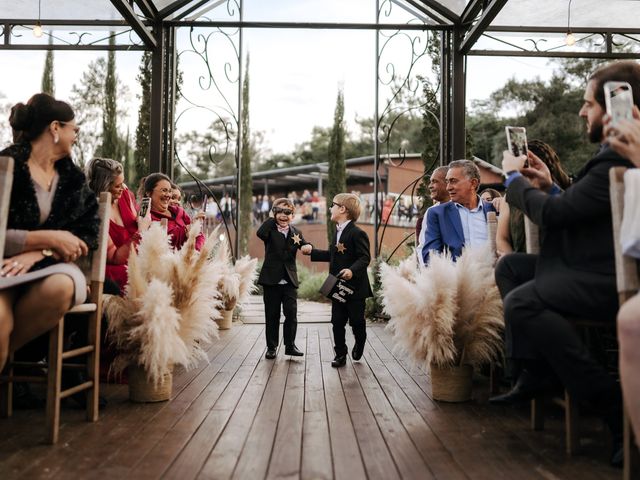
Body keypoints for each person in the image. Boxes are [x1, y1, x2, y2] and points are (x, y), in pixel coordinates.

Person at [489, 61, 640, 467]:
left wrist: (515, 181)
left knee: (523, 303)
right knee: (511, 268)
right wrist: (549, 186)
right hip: (583, 265)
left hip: (606, 277)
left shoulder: (617, 159)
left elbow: (557, 217)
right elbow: (574, 206)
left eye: (588, 103)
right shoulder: (612, 156)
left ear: (615, 105)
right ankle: (535, 371)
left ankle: (610, 409)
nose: (581, 112)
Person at [0, 93, 99, 374]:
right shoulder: (6, 166)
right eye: (74, 129)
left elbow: (89, 233)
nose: (76, 136)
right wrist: (48, 239)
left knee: (62, 286)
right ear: (55, 128)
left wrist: (38, 252)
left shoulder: (73, 179)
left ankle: (8, 356)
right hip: (3, 269)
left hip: (44, 269)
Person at [305, 193, 372, 368]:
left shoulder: (357, 233)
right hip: (338, 287)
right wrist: (312, 251)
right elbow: (332, 255)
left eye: (332, 205)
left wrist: (351, 270)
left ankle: (360, 340)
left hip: (355, 289)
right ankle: (340, 354)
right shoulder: (337, 232)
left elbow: (364, 258)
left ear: (342, 209)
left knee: (356, 321)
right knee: (337, 321)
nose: (329, 208)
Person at [86, 157, 151, 294]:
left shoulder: (125, 194)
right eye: (117, 186)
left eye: (123, 182)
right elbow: (115, 257)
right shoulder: (93, 212)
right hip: (114, 268)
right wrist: (142, 230)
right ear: (103, 188)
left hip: (135, 258)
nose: (122, 188)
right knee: (135, 275)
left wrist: (142, 219)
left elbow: (135, 221)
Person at [256, 198, 311, 359]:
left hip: (289, 280)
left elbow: (305, 245)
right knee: (272, 315)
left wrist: (308, 247)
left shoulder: (296, 232)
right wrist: (272, 216)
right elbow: (260, 233)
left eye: (287, 212)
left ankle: (290, 345)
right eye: (279, 211)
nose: (283, 215)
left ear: (292, 215)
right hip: (271, 280)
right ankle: (272, 347)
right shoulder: (270, 230)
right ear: (274, 213)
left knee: (291, 313)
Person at [495, 140, 571, 256]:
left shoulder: (564, 194)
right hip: (519, 264)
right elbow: (501, 238)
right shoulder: (510, 197)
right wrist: (511, 259)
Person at [421, 160, 496, 265]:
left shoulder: (494, 210)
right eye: (447, 182)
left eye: (453, 181)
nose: (448, 187)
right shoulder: (437, 214)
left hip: (492, 277)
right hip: (455, 278)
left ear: (473, 183)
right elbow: (431, 256)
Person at [141, 173, 205, 251]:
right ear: (148, 193)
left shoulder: (179, 211)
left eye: (170, 191)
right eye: (164, 190)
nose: (168, 195)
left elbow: (199, 235)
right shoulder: (145, 217)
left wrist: (195, 251)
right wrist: (186, 230)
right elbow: (160, 244)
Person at [416, 166, 450, 266]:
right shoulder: (431, 211)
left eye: (435, 181)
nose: (430, 186)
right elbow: (422, 246)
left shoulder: (462, 207)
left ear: (448, 183)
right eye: (430, 182)